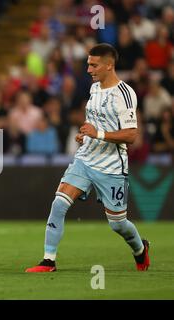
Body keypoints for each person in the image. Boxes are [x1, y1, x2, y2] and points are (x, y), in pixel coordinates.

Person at [26, 43, 150, 273]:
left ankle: (140, 249)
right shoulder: (94, 89)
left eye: (93, 65)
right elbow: (95, 123)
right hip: (85, 159)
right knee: (59, 203)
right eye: (87, 64)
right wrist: (86, 135)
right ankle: (48, 261)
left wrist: (99, 134)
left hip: (112, 165)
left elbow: (132, 135)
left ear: (109, 65)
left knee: (118, 224)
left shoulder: (125, 94)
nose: (88, 69)